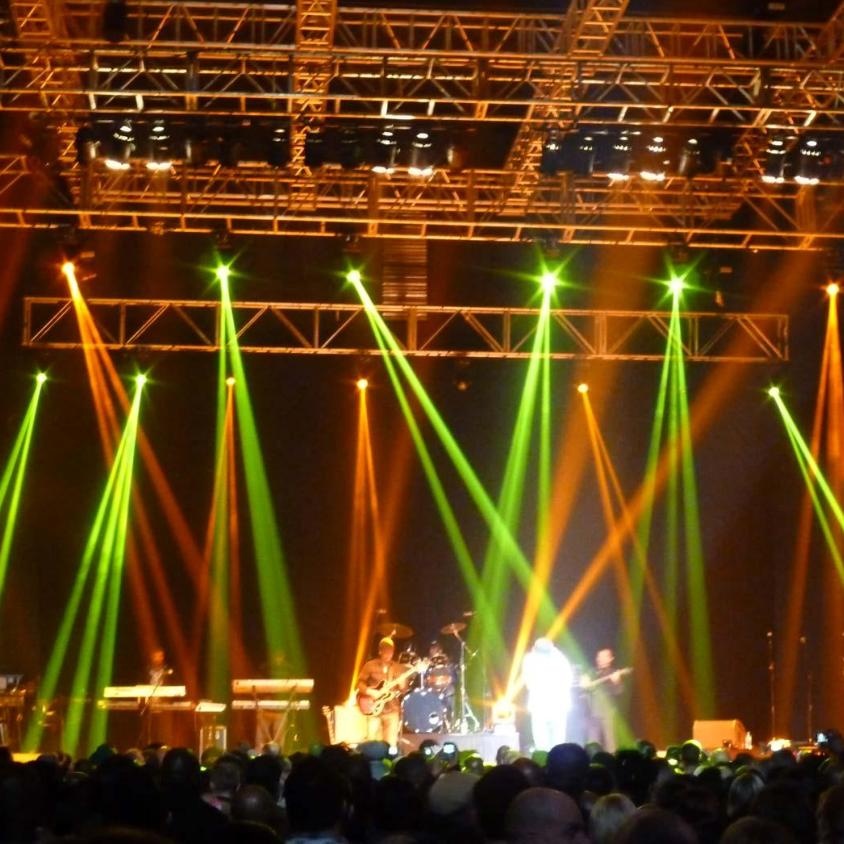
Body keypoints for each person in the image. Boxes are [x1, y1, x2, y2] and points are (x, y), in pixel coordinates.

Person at [521, 638, 573, 751]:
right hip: (543, 705)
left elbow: (529, 683)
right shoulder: (532, 659)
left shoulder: (558, 659)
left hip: (555, 704)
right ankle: (555, 758)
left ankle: (549, 758)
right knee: (548, 740)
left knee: (548, 739)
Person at [357, 637, 408, 746]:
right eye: (386, 651)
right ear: (380, 651)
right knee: (371, 743)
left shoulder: (398, 668)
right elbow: (359, 683)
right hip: (373, 708)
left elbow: (403, 690)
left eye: (391, 651)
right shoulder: (370, 665)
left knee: (390, 744)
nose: (388, 654)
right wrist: (370, 691)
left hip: (392, 709)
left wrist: (402, 683)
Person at [581, 648, 626, 753]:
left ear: (610, 659)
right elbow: (584, 688)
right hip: (592, 712)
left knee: (610, 740)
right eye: (599, 656)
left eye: (604, 657)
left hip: (607, 712)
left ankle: (612, 759)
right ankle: (592, 759)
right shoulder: (591, 672)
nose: (600, 659)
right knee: (592, 742)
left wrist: (617, 681)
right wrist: (584, 683)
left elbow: (619, 691)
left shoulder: (614, 673)